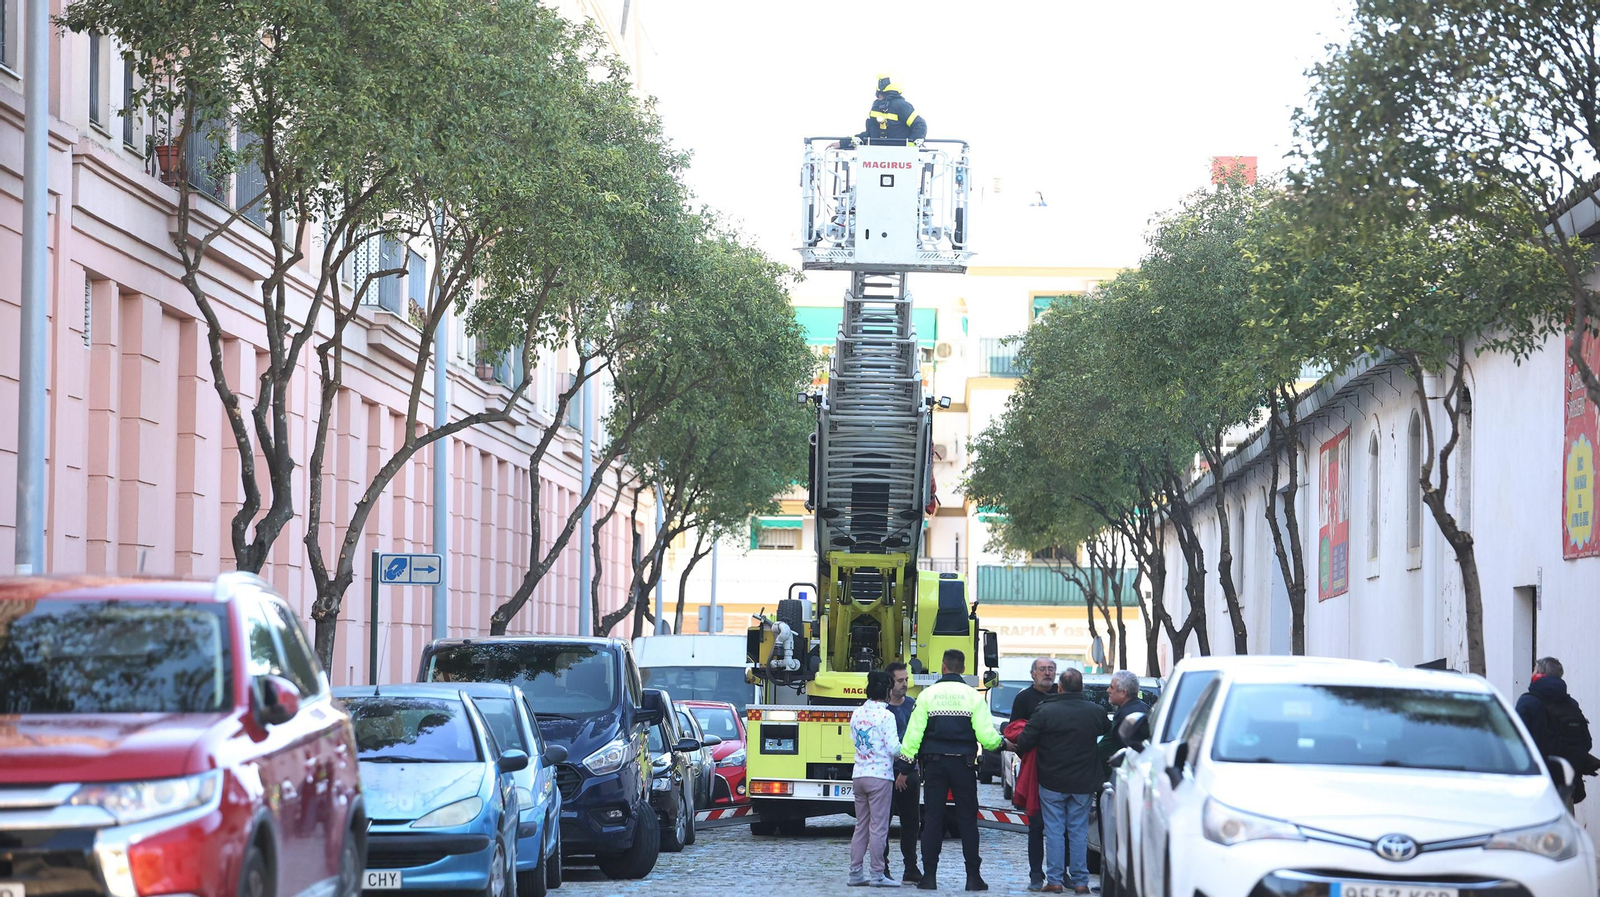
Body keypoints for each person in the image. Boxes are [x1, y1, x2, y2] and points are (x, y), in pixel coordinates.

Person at [897, 649, 1012, 892]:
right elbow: (987, 737)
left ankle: (929, 877)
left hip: (935, 766)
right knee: (968, 820)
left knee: (933, 820)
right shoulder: (973, 697)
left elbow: (913, 736)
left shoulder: (928, 696)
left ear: (943, 667)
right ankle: (973, 878)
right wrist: (1003, 744)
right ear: (961, 668)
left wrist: (905, 768)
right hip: (964, 765)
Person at [1015, 669, 1110, 895]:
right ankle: (1080, 882)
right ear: (1082, 688)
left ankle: (1055, 880)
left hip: (1051, 780)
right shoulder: (1095, 712)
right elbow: (1106, 728)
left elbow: (1025, 741)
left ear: (1060, 687)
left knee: (1055, 831)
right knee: (1078, 832)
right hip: (1083, 782)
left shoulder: (1045, 710)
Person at [1515, 656, 1600, 804]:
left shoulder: (1527, 702)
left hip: (1535, 786)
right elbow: (1586, 742)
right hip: (1567, 784)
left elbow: (1514, 741)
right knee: (1562, 826)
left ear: (1539, 675)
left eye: (1534, 670)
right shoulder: (1571, 704)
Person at [1006, 658, 1058, 892]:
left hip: (1061, 769)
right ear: (1033, 674)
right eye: (1043, 669)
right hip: (1034, 770)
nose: (1047, 673)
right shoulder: (1023, 698)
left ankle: (1061, 874)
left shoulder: (1062, 694)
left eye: (1051, 669)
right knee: (1035, 826)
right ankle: (1036, 874)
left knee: (1062, 827)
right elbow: (1013, 730)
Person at [850, 671, 904, 888]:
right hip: (880, 776)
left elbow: (854, 740)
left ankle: (855, 872)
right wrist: (909, 750)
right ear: (888, 691)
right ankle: (877, 873)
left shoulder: (856, 713)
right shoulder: (886, 716)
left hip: (859, 774)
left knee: (861, 826)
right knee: (879, 827)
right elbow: (894, 748)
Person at [883, 661, 923, 883]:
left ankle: (911, 868)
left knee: (911, 822)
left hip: (910, 773)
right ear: (890, 682)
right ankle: (883, 867)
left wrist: (907, 770)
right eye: (900, 680)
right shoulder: (881, 709)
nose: (905, 684)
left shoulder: (913, 706)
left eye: (907, 680)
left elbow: (917, 739)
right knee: (883, 823)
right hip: (886, 774)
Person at [1095, 670, 1152, 776]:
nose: (1108, 690)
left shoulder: (1128, 715)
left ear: (1123, 693)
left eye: (1111, 687)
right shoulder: (1141, 708)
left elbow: (1107, 747)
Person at [855, 75, 928, 147]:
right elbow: (871, 133)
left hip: (899, 154)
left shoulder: (901, 106)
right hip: (877, 154)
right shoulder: (876, 107)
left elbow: (919, 125)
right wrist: (851, 140)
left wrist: (911, 145)